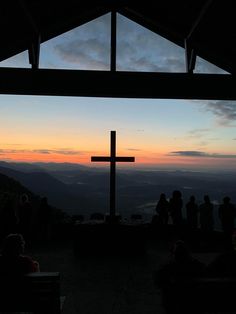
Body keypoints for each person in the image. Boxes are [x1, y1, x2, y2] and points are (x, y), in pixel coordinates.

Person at [155, 240, 205, 313]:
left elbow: (159, 282)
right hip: (194, 302)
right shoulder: (198, 266)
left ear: (174, 254)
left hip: (174, 303)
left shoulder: (168, 268)